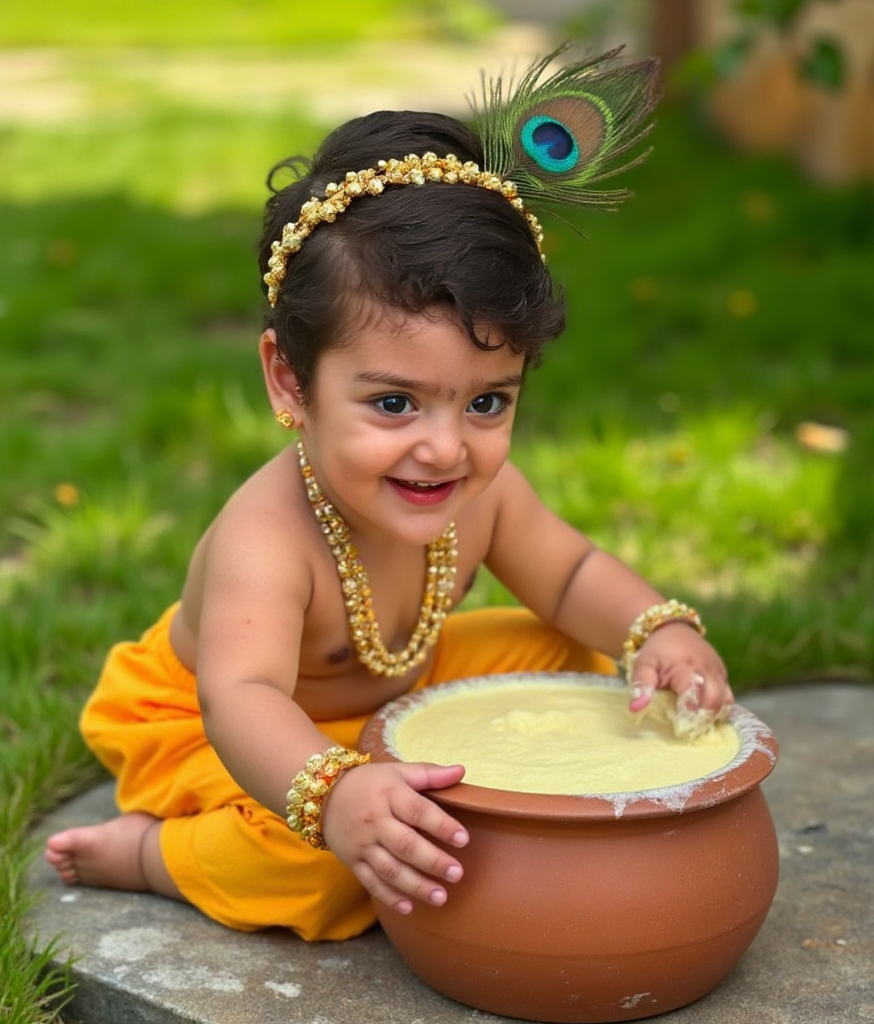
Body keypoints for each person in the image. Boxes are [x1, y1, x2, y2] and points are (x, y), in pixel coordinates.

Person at [45, 45, 733, 943]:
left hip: (397, 692)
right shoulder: (268, 537)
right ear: (290, 383)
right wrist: (337, 797)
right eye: (394, 402)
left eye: (487, 402)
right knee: (325, 866)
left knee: (572, 650)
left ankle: (429, 791)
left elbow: (570, 574)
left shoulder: (482, 491)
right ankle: (151, 856)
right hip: (237, 732)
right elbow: (244, 697)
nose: (444, 448)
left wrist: (659, 631)